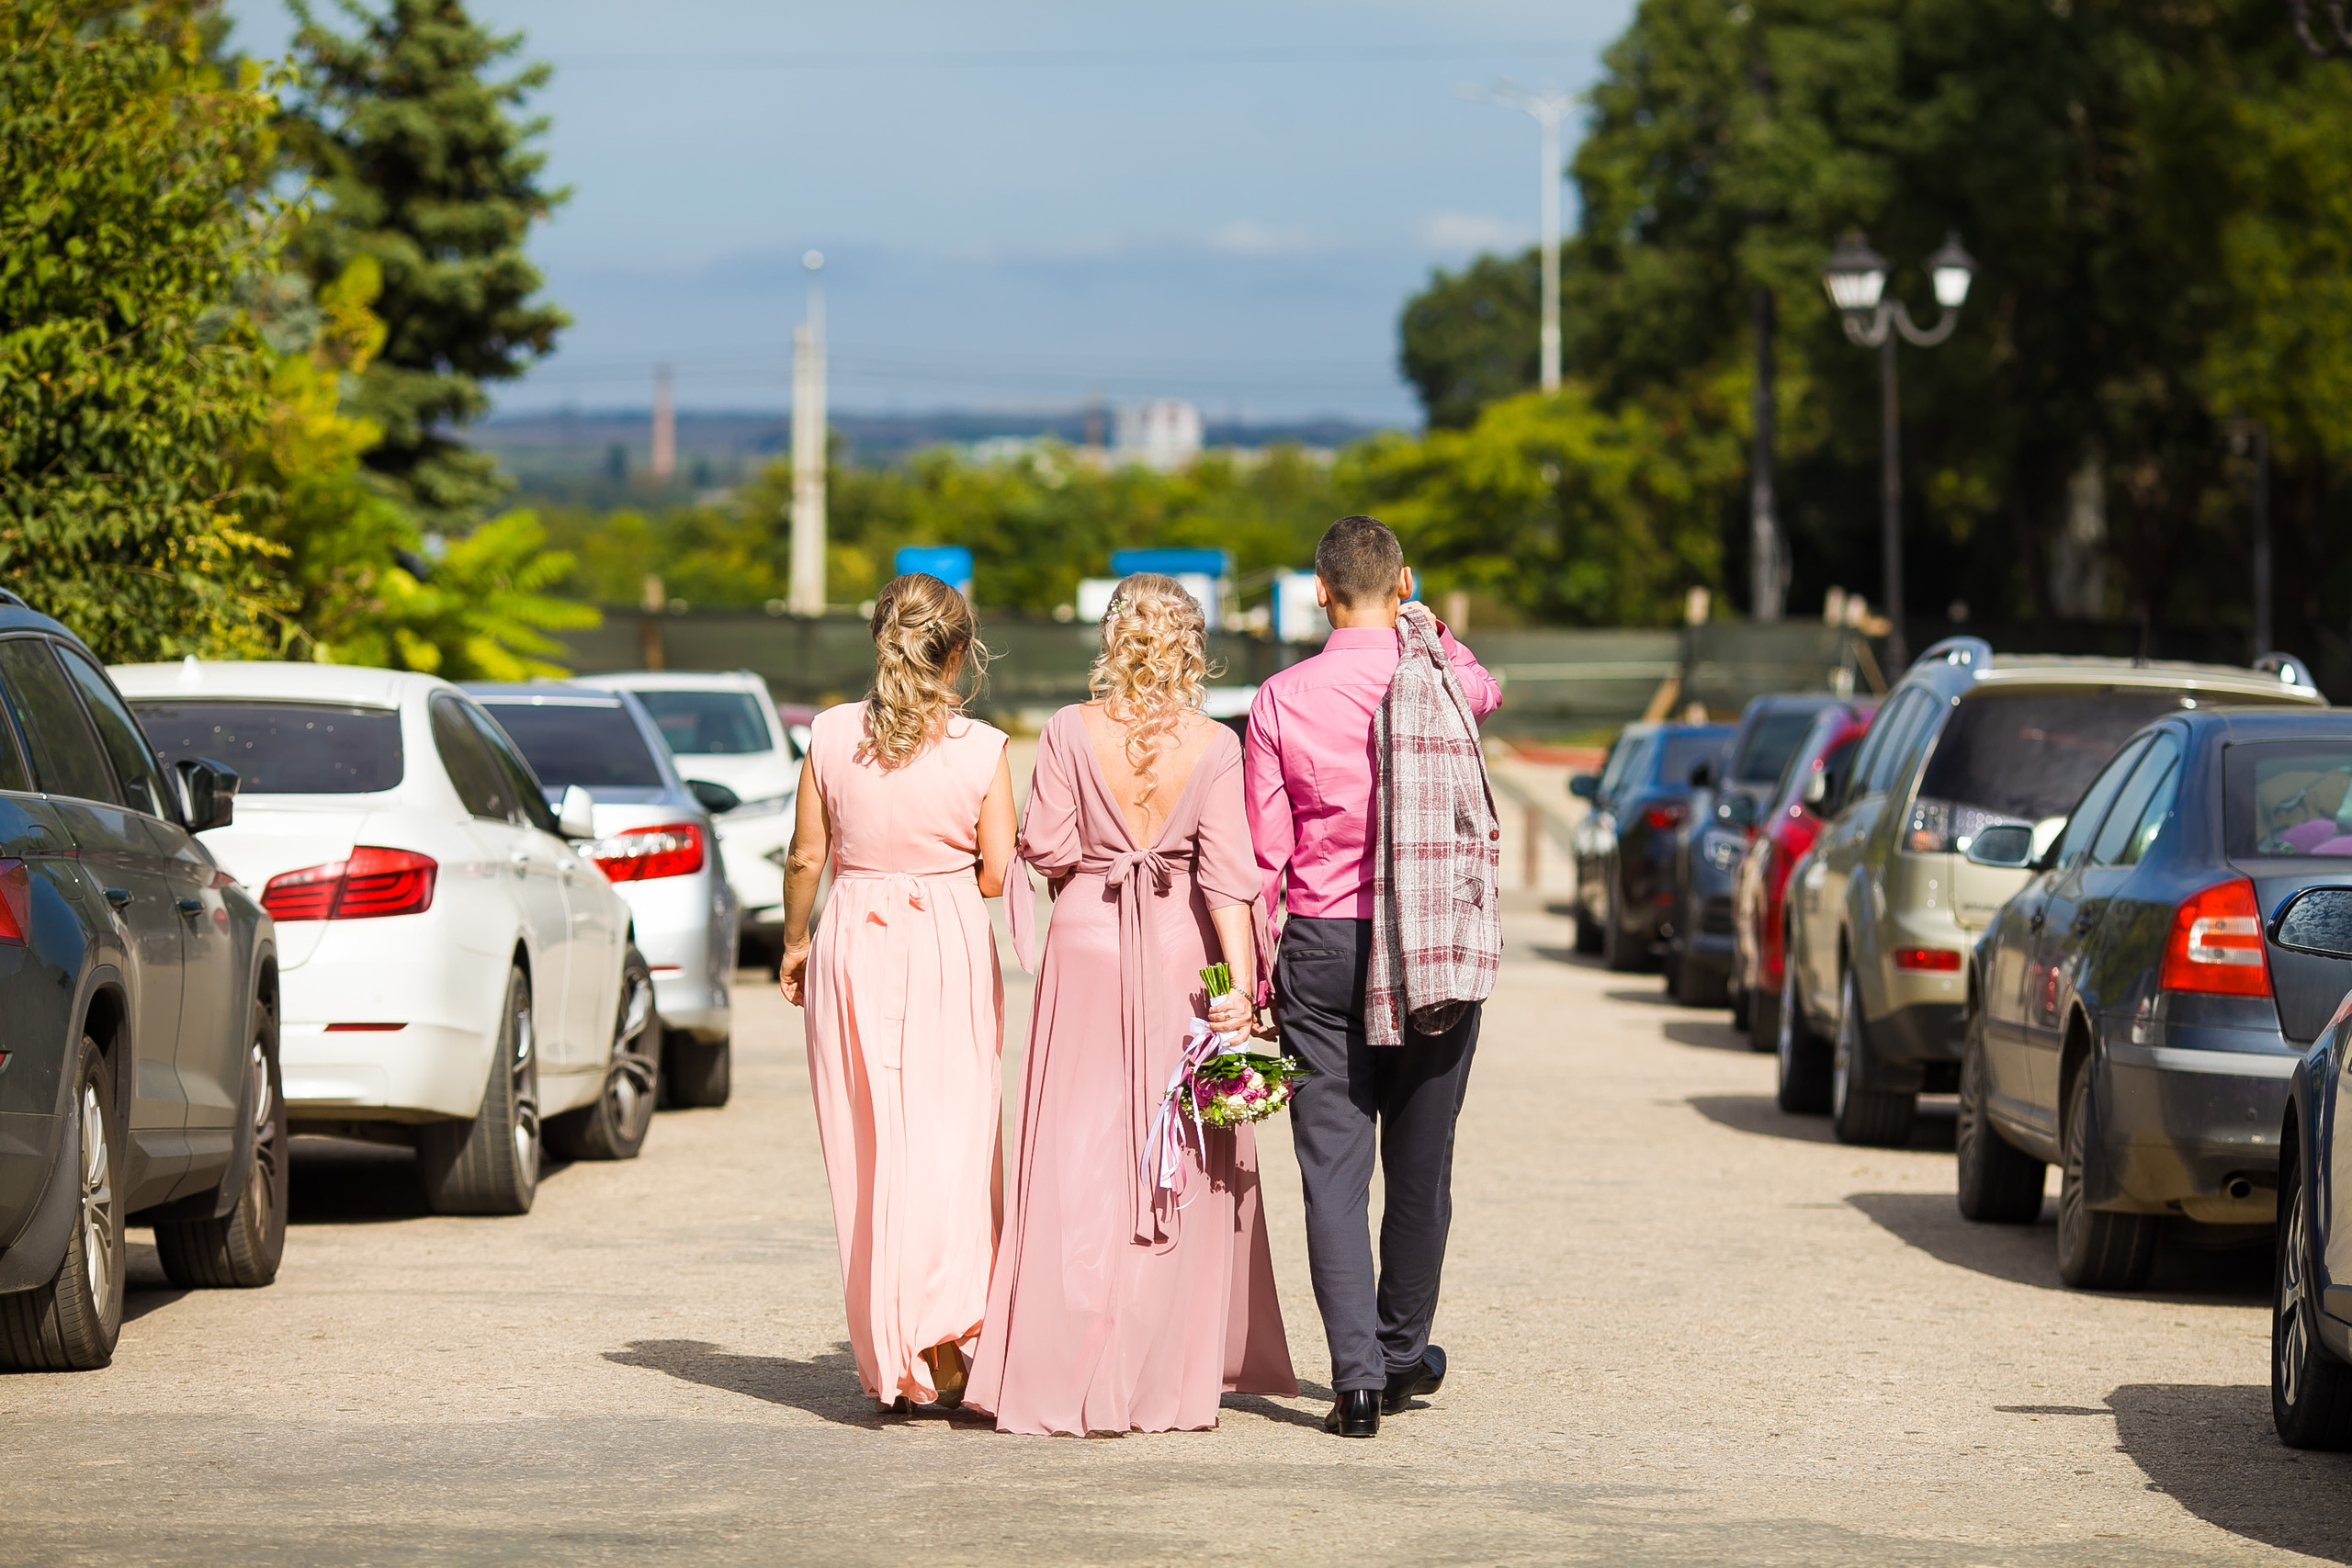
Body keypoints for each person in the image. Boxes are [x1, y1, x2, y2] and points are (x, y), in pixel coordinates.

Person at [965, 572, 1297, 1436]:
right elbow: (1230, 883)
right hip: (1183, 952)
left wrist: (1103, 848)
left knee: (1074, 1146)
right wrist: (1241, 997)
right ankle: (1154, 1373)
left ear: (1112, 640)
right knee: (1176, 1150)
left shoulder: (1069, 731)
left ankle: (1062, 1354)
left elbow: (1047, 845)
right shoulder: (1214, 745)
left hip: (1085, 943)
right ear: (1191, 644)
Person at [1244, 515, 1501, 1439]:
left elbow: (1264, 854)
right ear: (1401, 587)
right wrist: (1430, 628)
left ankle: (1352, 1384)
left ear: (1318, 589)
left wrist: (1252, 972)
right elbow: (1487, 689)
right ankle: (1400, 1357)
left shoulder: (1278, 698)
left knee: (1332, 1171)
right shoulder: (1434, 676)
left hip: (1321, 941)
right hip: (1428, 937)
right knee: (1420, 1165)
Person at [778, 573, 1016, 1416]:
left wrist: (797, 938)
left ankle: (891, 1350)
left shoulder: (832, 733)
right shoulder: (983, 748)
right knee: (955, 1137)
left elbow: (808, 857)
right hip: (944, 933)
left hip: (854, 937)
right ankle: (951, 1339)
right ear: (960, 650)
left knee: (868, 1144)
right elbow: (994, 874)